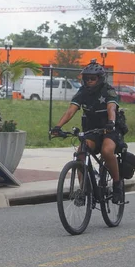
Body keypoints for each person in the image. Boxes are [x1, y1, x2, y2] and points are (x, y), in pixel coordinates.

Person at [50, 59, 124, 203]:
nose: (89, 81)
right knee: (80, 154)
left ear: (100, 79)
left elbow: (111, 108)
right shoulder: (83, 92)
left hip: (110, 128)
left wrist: (111, 122)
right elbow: (71, 111)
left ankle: (117, 185)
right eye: (86, 78)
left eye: (92, 78)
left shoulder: (108, 90)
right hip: (92, 130)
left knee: (107, 151)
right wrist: (57, 127)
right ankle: (83, 189)